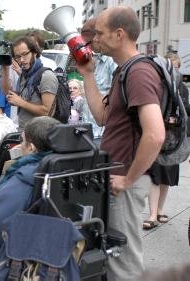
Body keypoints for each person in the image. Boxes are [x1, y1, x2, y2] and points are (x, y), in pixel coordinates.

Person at [76, 6, 165, 281]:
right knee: (112, 255)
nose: (95, 40)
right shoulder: (122, 71)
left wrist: (127, 180)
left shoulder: (138, 72)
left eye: (100, 34)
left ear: (119, 34)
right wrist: (88, 75)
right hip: (115, 177)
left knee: (123, 263)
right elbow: (102, 117)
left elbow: (156, 134)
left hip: (124, 181)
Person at [0, 116, 60, 280]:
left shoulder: (26, 178)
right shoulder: (70, 168)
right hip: (56, 247)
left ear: (32, 147)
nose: (20, 146)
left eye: (22, 141)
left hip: (22, 258)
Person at [143, 52, 188, 230]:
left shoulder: (182, 88)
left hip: (174, 139)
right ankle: (152, 214)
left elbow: (187, 112)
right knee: (155, 175)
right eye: (171, 67)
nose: (174, 71)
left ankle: (159, 210)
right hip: (157, 136)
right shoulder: (158, 86)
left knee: (167, 177)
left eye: (176, 68)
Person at [2, 36, 59, 130]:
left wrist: (21, 102)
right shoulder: (24, 75)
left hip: (40, 135)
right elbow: (7, 93)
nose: (22, 60)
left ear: (35, 53)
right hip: (24, 131)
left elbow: (48, 112)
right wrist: (5, 69)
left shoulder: (46, 76)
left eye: (25, 54)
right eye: (18, 57)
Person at [80, 17, 118, 141]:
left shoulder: (112, 62)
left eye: (89, 43)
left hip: (103, 133)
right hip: (91, 129)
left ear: (97, 37)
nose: (88, 48)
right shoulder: (97, 60)